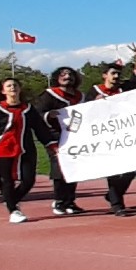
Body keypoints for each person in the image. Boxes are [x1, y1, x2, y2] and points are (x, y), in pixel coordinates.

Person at [87, 49, 136, 216]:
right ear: (104, 75)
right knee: (113, 171)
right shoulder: (94, 92)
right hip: (105, 137)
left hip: (125, 136)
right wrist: (94, 104)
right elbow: (84, 113)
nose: (116, 76)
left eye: (118, 74)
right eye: (113, 73)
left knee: (131, 170)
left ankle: (113, 195)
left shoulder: (123, 89)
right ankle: (117, 204)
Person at [0, 78, 40, 224]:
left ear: (20, 89)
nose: (12, 88)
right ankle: (13, 210)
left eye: (15, 85)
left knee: (29, 180)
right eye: (9, 86)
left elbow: (40, 128)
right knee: (6, 182)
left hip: (26, 149)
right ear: (3, 91)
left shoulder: (28, 109)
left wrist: (52, 144)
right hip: (2, 150)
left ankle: (11, 199)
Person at [31, 67, 85, 215]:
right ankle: (59, 201)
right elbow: (37, 114)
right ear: (57, 77)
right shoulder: (49, 95)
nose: (67, 77)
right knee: (59, 168)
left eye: (70, 74)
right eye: (63, 74)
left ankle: (70, 201)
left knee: (74, 168)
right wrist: (49, 115)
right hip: (55, 137)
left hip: (76, 137)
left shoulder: (80, 96)